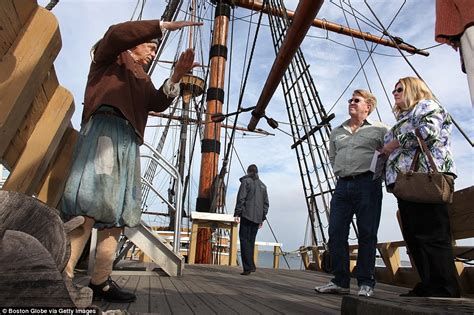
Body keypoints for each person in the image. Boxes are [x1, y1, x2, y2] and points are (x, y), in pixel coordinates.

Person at [60, 19, 201, 303]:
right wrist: (160, 26)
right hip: (106, 133)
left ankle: (100, 280)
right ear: (134, 43)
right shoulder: (110, 56)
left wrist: (176, 76)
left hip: (128, 141)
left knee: (120, 212)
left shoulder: (141, 77)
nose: (152, 53)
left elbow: (156, 102)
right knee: (88, 204)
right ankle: (62, 278)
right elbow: (115, 34)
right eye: (150, 46)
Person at [380, 77, 460, 298]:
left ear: (414, 89)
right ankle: (428, 284)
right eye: (393, 90)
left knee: (432, 234)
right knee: (414, 235)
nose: (394, 93)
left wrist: (394, 143)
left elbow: (429, 131)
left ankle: (445, 287)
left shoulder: (427, 105)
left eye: (400, 89)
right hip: (405, 182)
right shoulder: (403, 117)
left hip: (426, 177)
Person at [315, 89, 388, 297]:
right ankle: (340, 281)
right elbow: (332, 157)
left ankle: (366, 282)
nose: (352, 102)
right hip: (342, 186)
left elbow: (390, 153)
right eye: (350, 100)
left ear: (368, 107)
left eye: (357, 100)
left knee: (367, 233)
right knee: (336, 233)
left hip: (368, 184)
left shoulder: (381, 129)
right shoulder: (337, 131)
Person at [234, 164, 269, 276]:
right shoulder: (263, 186)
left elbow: (241, 197)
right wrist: (262, 219)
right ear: (257, 172)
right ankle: (252, 266)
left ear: (248, 171)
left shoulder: (246, 182)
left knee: (244, 241)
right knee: (251, 241)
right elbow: (266, 204)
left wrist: (237, 213)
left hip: (246, 215)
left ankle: (247, 268)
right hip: (257, 218)